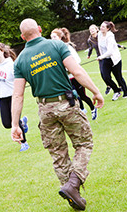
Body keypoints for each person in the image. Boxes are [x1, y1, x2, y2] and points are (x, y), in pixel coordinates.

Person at [11, 18, 104, 211]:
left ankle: (73, 195)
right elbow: (76, 71)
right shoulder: (56, 45)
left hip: (44, 110)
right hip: (66, 103)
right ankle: (73, 185)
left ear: (22, 37)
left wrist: (15, 124)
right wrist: (96, 91)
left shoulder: (20, 60)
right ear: (39, 29)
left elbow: (18, 95)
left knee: (58, 154)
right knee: (84, 143)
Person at [50, 28, 98, 120]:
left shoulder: (68, 47)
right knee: (72, 96)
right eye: (51, 38)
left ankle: (93, 108)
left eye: (54, 37)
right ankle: (82, 110)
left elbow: (77, 60)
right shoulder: (54, 50)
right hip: (66, 79)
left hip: (75, 77)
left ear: (60, 37)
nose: (53, 39)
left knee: (82, 96)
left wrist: (68, 68)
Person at [0, 42, 29, 152]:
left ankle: (24, 143)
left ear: (2, 51)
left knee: (14, 121)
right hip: (2, 97)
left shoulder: (11, 64)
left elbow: (19, 78)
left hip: (13, 96)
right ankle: (22, 122)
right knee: (6, 124)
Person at [87, 24, 125, 95]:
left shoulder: (101, 35)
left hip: (107, 56)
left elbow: (111, 43)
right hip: (100, 57)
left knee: (116, 74)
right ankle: (110, 86)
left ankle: (120, 87)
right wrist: (89, 55)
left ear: (96, 29)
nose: (91, 31)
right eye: (90, 30)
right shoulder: (90, 40)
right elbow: (90, 48)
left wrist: (120, 46)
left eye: (93, 29)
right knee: (103, 75)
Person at [97, 21, 127, 100]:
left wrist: (101, 57)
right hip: (106, 59)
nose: (101, 28)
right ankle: (117, 90)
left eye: (103, 27)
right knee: (105, 77)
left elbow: (110, 51)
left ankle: (126, 92)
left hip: (114, 59)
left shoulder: (110, 36)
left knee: (118, 77)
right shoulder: (99, 34)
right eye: (101, 26)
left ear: (108, 29)